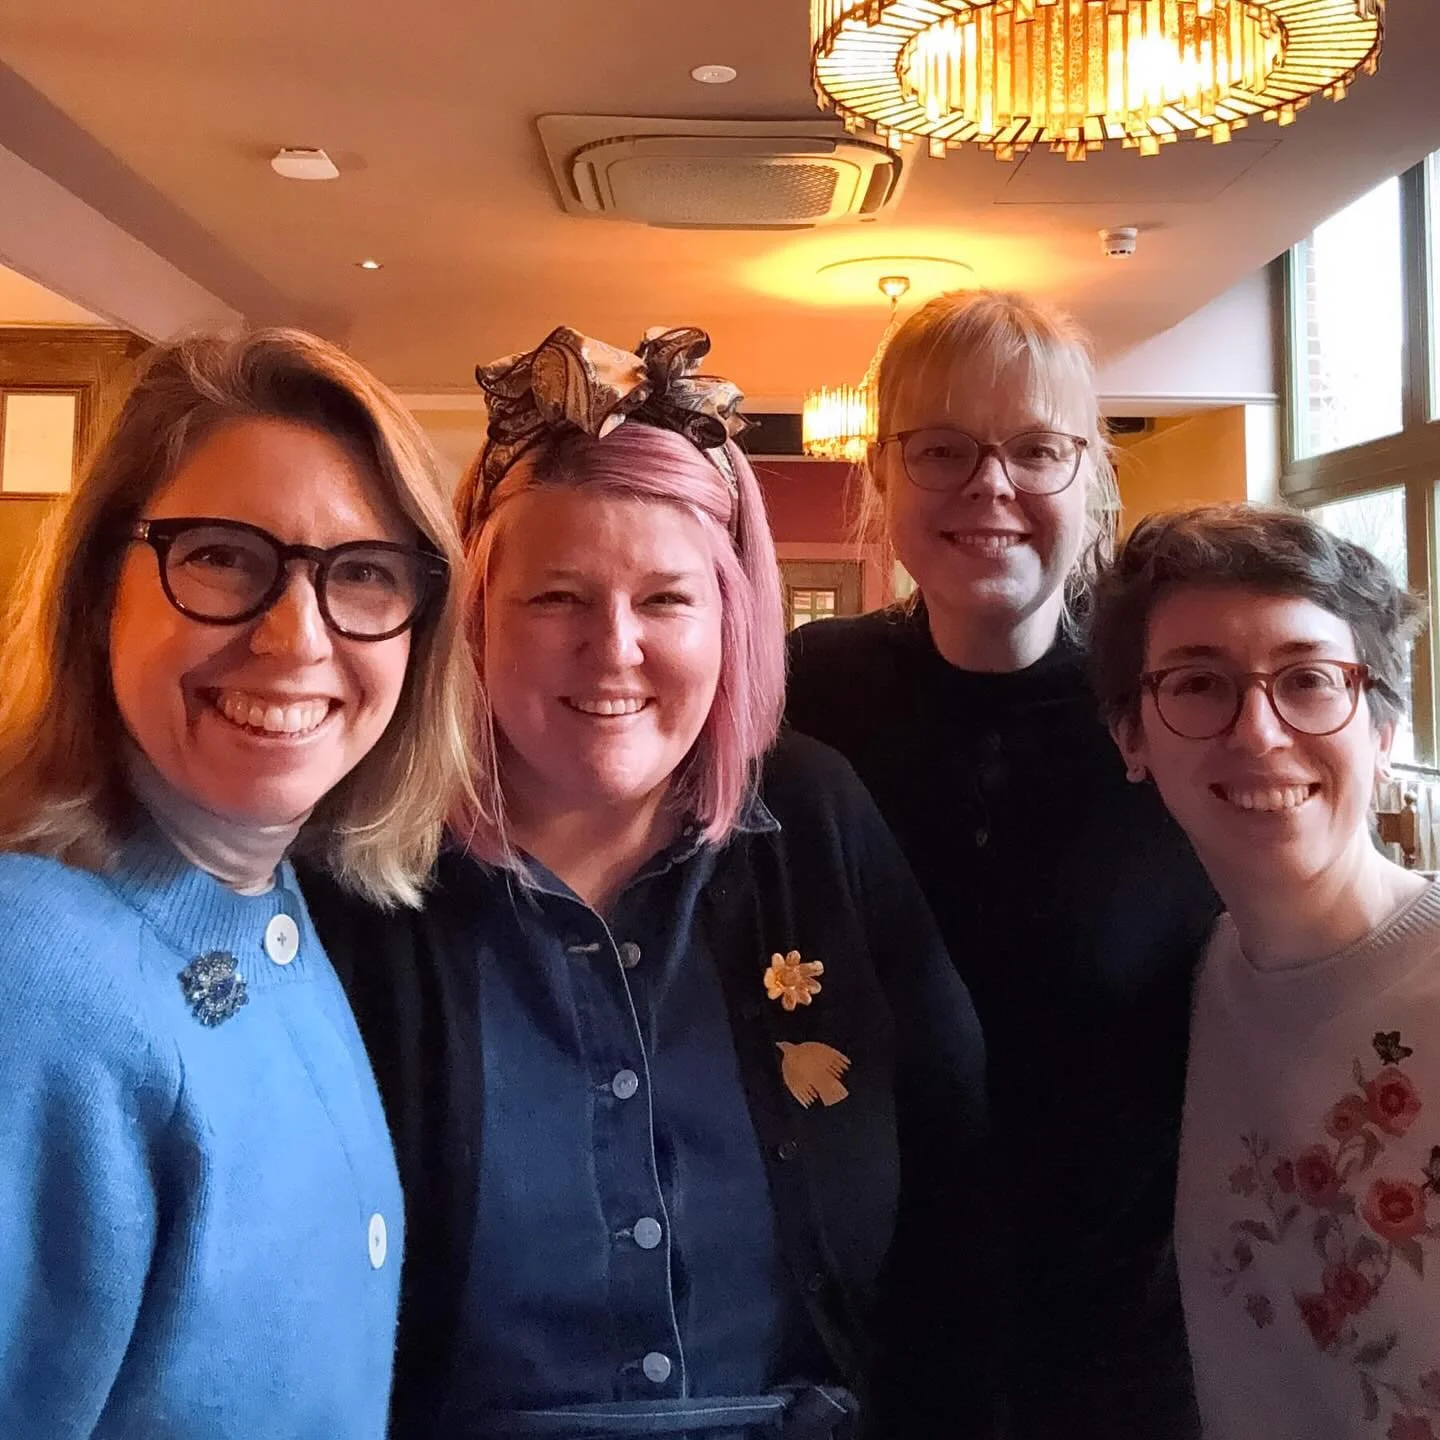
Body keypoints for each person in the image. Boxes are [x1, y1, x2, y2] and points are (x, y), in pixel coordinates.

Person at [300, 324, 996, 1440]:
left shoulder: (813, 815)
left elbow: (959, 1194)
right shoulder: (358, 869)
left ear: (733, 620)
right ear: (473, 615)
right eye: (556, 600)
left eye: (666, 601)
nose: (613, 650)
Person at [0, 328, 474, 1439]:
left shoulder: (275, 905)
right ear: (96, 592)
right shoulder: (28, 976)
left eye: (362, 574)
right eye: (220, 555)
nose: (296, 638)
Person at [785, 289, 1220, 1437]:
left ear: (1092, 480)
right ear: (882, 475)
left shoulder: (1172, 709)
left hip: (1119, 1355)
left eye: (1037, 449)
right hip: (850, 1344)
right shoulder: (795, 699)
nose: (991, 487)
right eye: (943, 449)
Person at [1090, 503, 1437, 1440]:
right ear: (1132, 738)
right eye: (1199, 684)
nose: (1259, 731)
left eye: (1309, 679)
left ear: (1385, 724)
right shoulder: (1200, 991)